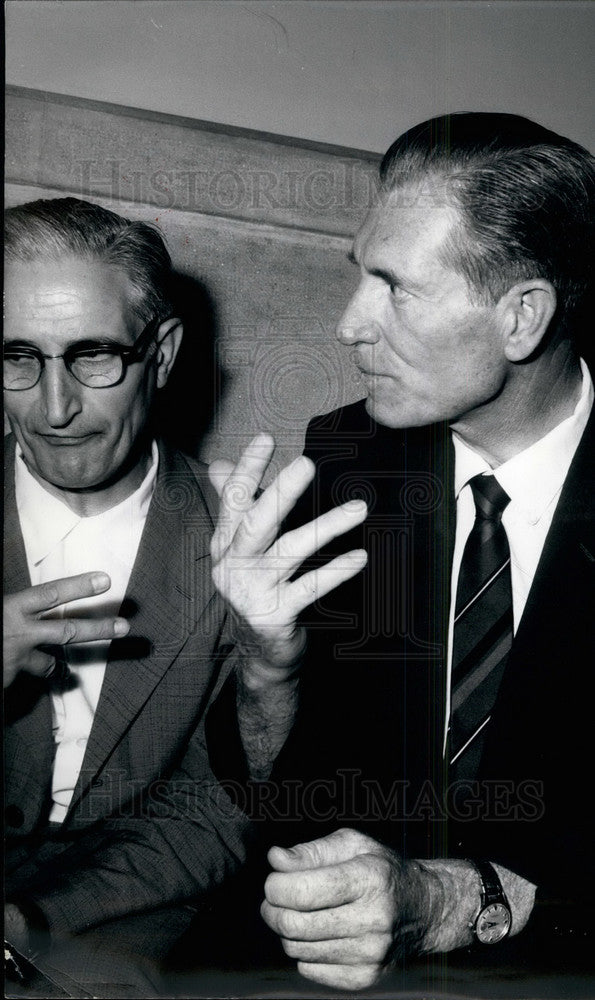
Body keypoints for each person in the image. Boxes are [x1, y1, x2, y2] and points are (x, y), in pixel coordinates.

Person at [208, 113, 595, 990]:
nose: (348, 324)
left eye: (395, 288)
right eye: (359, 277)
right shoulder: (350, 461)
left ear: (522, 317)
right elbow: (276, 799)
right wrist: (268, 667)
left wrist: (465, 901)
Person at [3, 197, 252, 997]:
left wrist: (33, 925)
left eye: (94, 356)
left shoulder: (240, 543)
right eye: (17, 356)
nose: (53, 408)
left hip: (124, 918)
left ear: (165, 351)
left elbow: (217, 810)